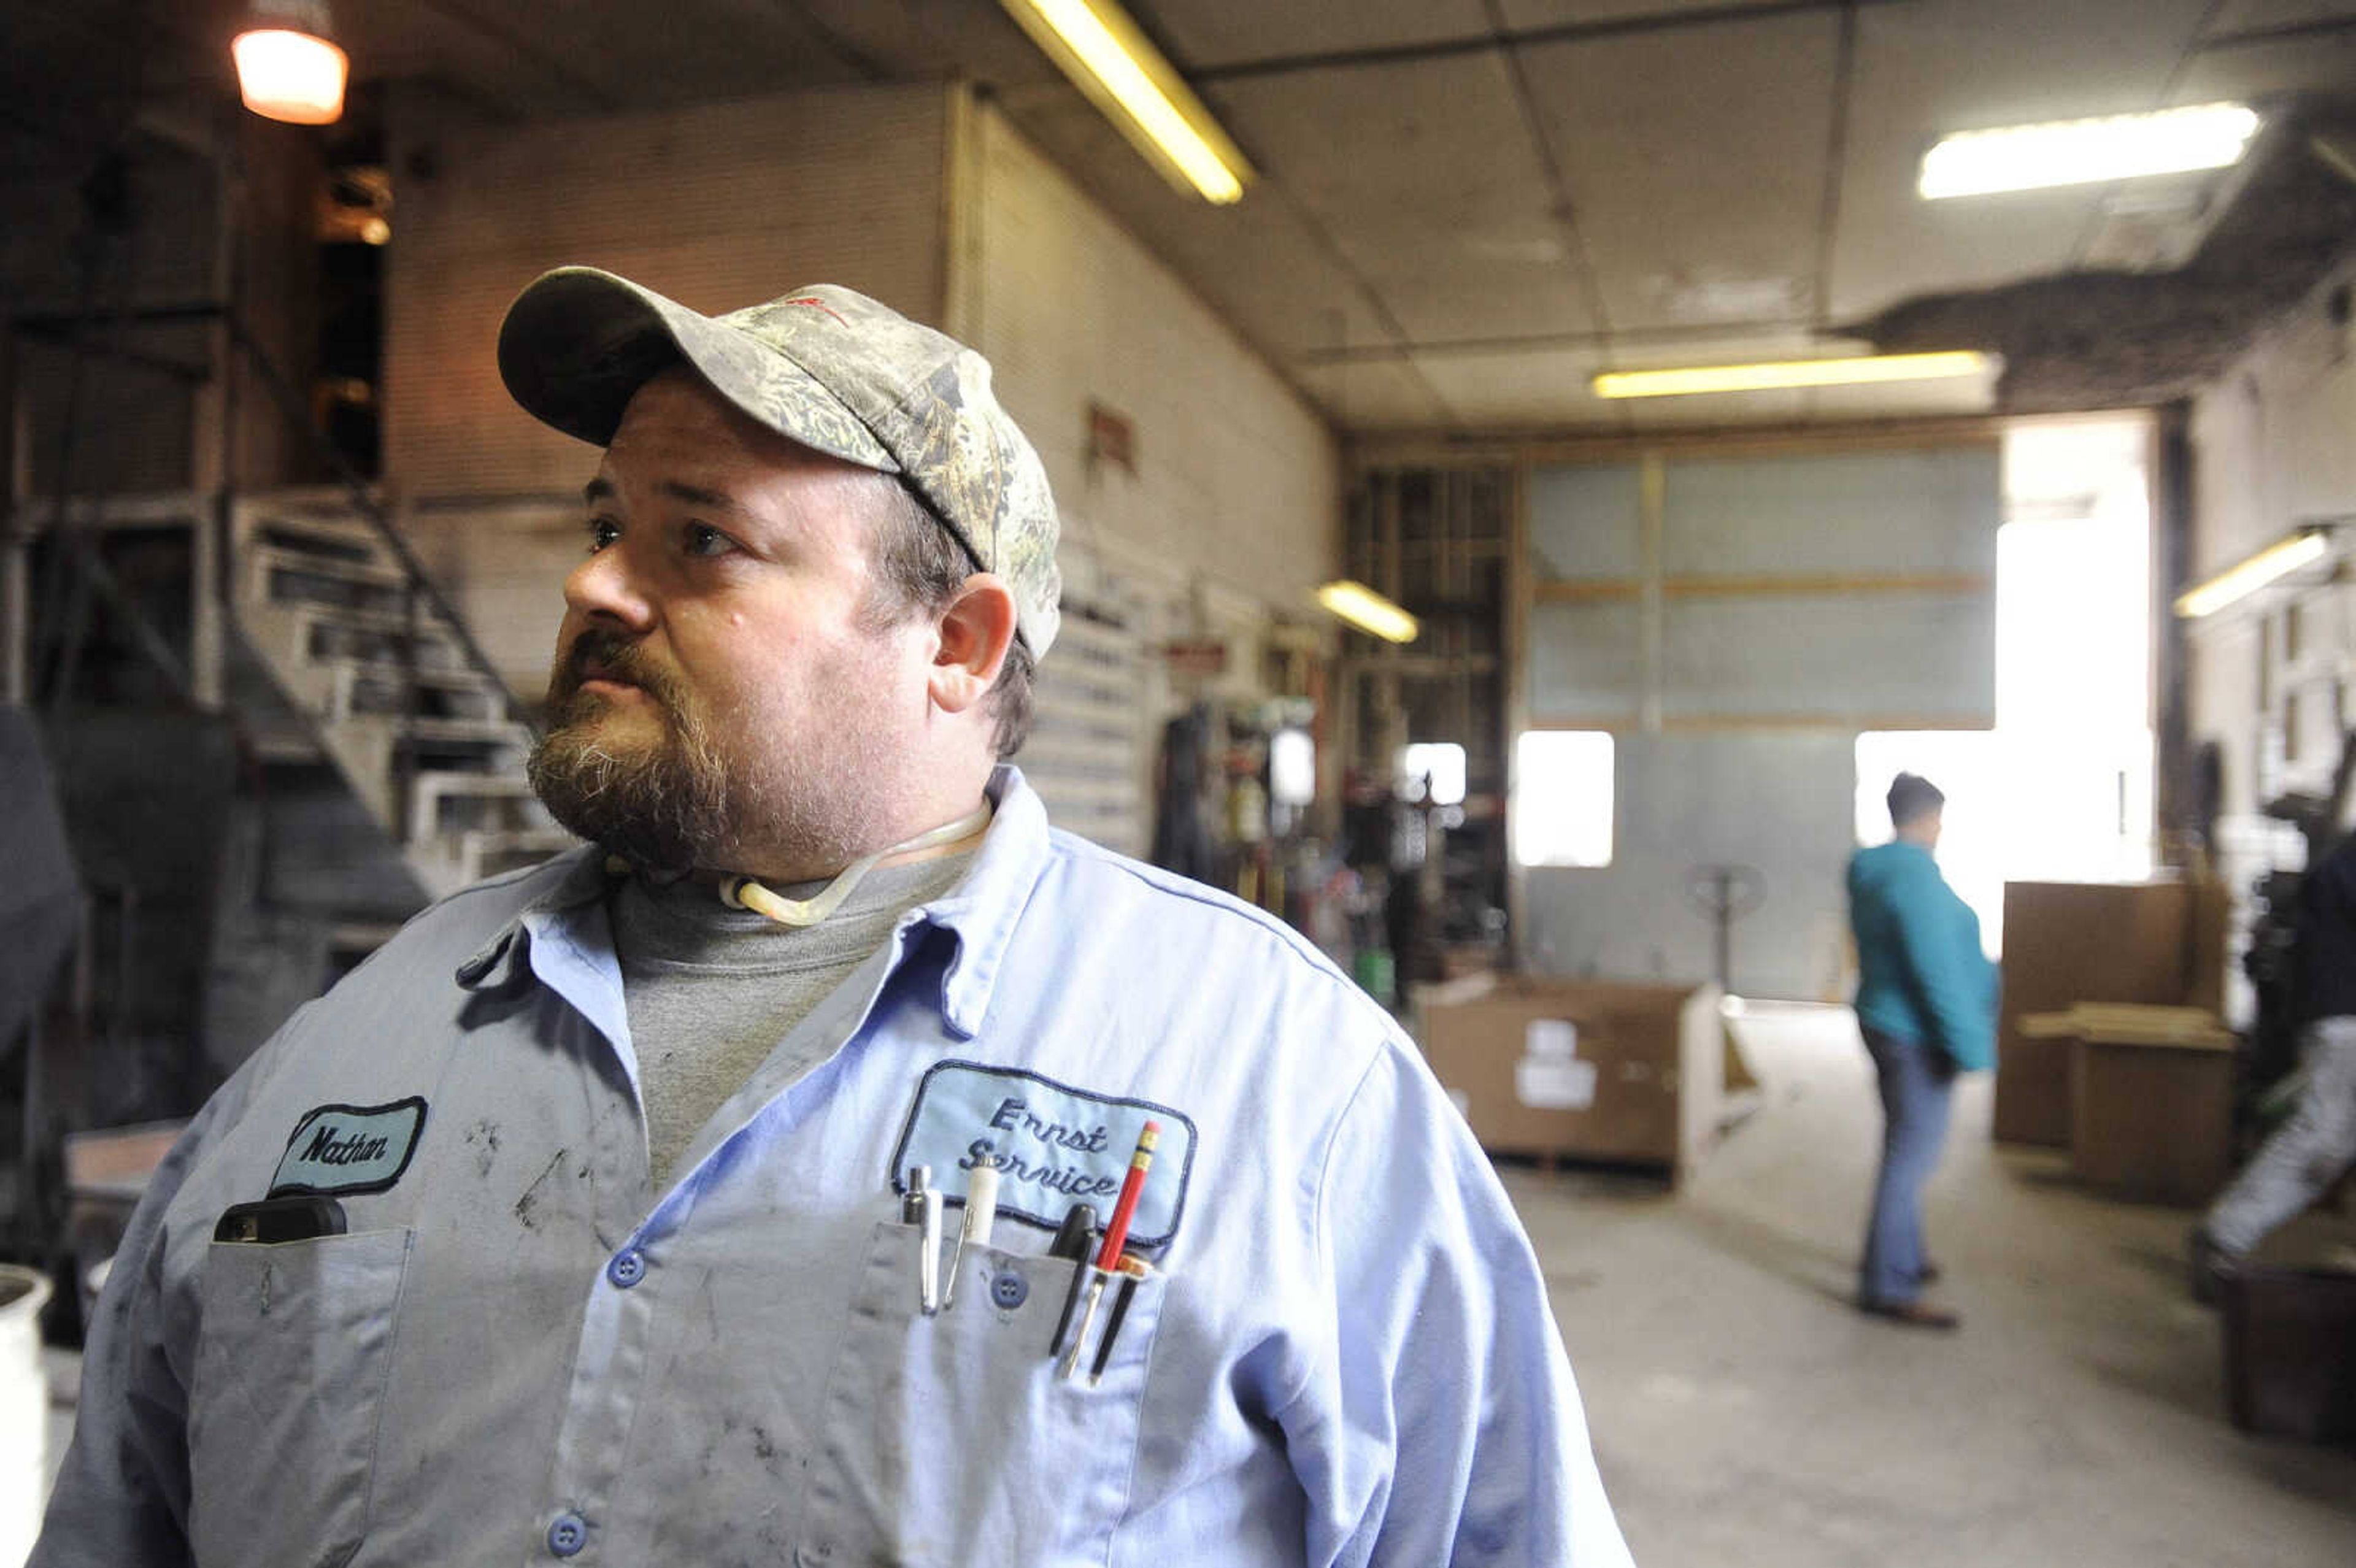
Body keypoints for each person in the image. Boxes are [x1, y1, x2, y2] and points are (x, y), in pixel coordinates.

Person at [33, 269, 1633, 1567]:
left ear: (955, 642)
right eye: (606, 522)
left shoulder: (1283, 1090)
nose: (596, 585)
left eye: (702, 538)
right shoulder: (357, 1039)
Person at [1846, 772, 1995, 1329]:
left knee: (1903, 1148)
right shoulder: (1915, 883)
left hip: (1883, 1020)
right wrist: (1971, 1046)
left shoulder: (1875, 870)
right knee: (1910, 1159)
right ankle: (1888, 1284)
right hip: (1914, 1033)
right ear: (1931, 819)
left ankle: (1898, 1253)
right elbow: (1937, 974)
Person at [2192, 832, 2356, 1289]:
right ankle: (2223, 1238)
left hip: (2336, 1014)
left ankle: (2225, 1236)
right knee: (2323, 1137)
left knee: (2328, 1140)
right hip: (2344, 1018)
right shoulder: (2343, 867)